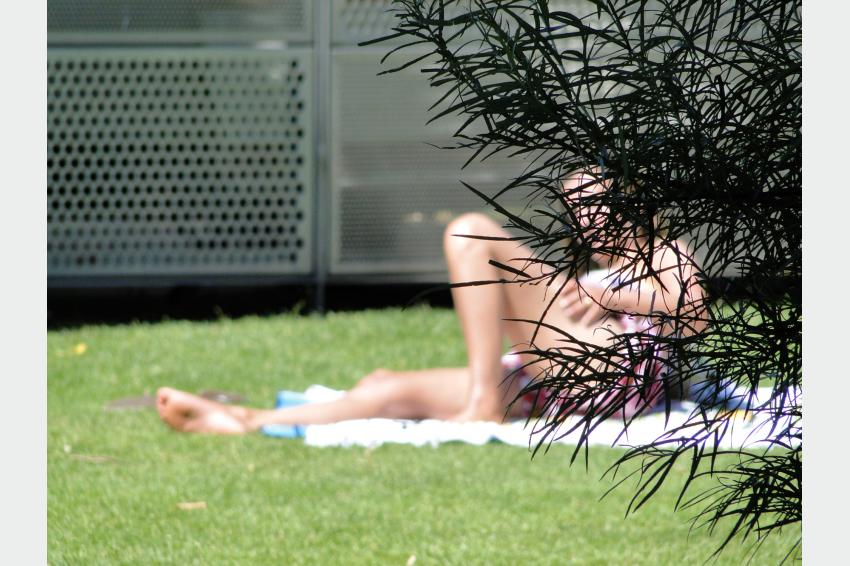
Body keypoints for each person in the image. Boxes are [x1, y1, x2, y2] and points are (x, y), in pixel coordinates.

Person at [156, 170, 706, 434]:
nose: (586, 220)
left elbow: (696, 314)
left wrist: (608, 291)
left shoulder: (665, 251)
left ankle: (483, 402)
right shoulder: (591, 270)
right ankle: (247, 419)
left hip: (612, 374)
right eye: (577, 209)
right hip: (554, 384)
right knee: (386, 388)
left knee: (470, 233)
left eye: (595, 203)